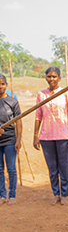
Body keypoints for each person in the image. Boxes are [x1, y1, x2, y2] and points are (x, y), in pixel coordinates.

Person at [34, 67, 68, 206]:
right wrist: (35, 135)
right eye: (49, 76)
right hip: (46, 137)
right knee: (52, 168)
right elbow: (38, 115)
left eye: (54, 76)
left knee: (63, 166)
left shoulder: (66, 93)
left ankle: (64, 194)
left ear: (59, 78)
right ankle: (56, 194)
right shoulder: (41, 95)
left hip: (63, 136)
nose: (51, 79)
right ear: (45, 77)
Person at [0, 74, 22, 205]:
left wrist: (18, 139)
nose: (0, 87)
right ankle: (2, 195)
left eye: (2, 84)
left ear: (6, 85)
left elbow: (19, 122)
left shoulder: (12, 101)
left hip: (10, 140)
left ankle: (12, 194)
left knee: (11, 169)